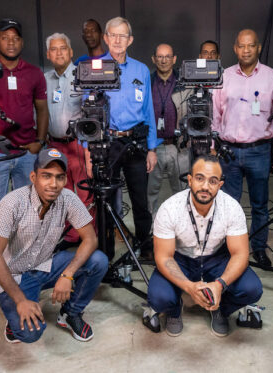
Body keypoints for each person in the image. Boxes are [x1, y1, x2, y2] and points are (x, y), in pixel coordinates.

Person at [0, 148, 108, 343]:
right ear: (33, 177)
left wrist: (68, 274)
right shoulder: (12, 203)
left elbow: (91, 239)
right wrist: (21, 301)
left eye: (59, 177)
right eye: (46, 176)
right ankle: (14, 319)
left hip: (45, 265)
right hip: (15, 275)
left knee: (98, 261)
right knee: (30, 333)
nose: (53, 184)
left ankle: (71, 314)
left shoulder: (67, 198)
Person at [147, 155, 263, 337]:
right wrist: (188, 287)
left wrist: (220, 284)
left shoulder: (231, 207)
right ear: (190, 180)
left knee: (251, 289)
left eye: (213, 181)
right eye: (200, 178)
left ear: (220, 185)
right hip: (181, 259)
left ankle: (220, 309)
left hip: (216, 258)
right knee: (159, 297)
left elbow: (240, 254)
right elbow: (163, 257)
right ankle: (174, 310)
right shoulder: (170, 208)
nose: (205, 186)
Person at [212, 29, 273, 267]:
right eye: (241, 46)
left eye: (251, 46)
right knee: (228, 204)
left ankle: (258, 248)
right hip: (228, 151)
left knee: (260, 205)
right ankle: (230, 250)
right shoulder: (223, 76)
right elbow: (214, 115)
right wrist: (213, 146)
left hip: (259, 151)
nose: (246, 50)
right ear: (235, 49)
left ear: (258, 48)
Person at [100, 16, 158, 259]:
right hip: (107, 144)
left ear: (130, 40)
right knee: (107, 202)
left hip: (136, 143)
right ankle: (106, 254)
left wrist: (152, 148)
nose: (117, 40)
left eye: (122, 35)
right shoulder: (95, 68)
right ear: (106, 38)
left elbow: (148, 110)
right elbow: (87, 112)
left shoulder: (141, 70)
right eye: (112, 35)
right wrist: (85, 146)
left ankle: (145, 249)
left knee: (140, 201)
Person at [0, 18, 49, 206]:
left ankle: (23, 237)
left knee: (26, 207)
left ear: (22, 42)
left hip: (26, 152)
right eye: (5, 37)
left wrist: (40, 142)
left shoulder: (34, 73)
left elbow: (42, 110)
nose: (11, 42)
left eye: (15, 38)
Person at [45, 32, 93, 246]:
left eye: (63, 48)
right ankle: (67, 236)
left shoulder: (83, 76)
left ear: (71, 52)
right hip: (54, 144)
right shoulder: (44, 79)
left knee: (84, 192)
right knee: (59, 192)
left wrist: (89, 150)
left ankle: (86, 237)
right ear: (48, 54)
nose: (59, 53)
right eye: (54, 49)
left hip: (78, 145)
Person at [147, 43, 191, 216]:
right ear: (154, 59)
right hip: (153, 147)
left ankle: (181, 228)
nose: (163, 60)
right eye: (160, 56)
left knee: (182, 192)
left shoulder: (185, 82)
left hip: (178, 146)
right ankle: (152, 231)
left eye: (167, 57)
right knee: (149, 193)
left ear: (174, 59)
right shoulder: (147, 82)